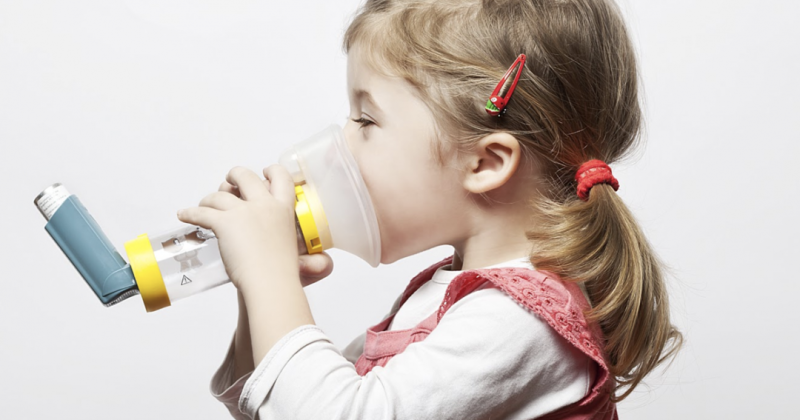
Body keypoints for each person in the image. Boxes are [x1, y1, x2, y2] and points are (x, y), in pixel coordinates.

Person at [177, 0, 683, 418]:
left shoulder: (521, 321)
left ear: (485, 163)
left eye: (366, 121)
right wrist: (257, 290)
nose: (339, 147)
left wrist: (269, 278)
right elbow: (279, 405)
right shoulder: (457, 295)